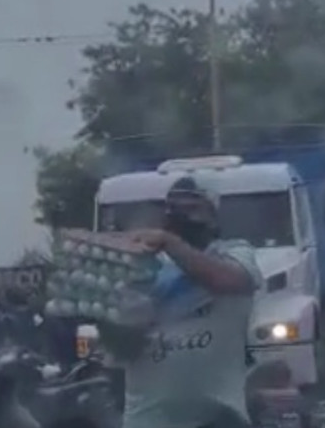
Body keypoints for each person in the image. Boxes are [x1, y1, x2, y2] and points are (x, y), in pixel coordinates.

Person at [109, 174, 263, 428]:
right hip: (150, 418)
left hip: (218, 416)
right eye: (174, 209)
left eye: (192, 208)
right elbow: (120, 348)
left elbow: (229, 281)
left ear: (213, 215)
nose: (182, 217)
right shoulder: (145, 268)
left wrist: (170, 242)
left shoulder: (234, 252)